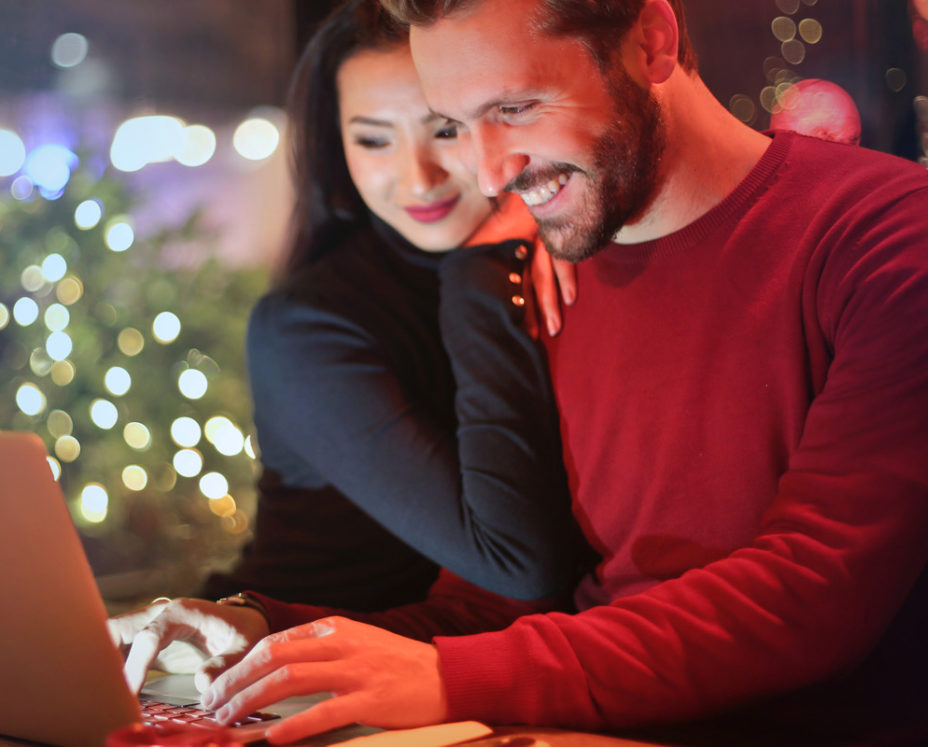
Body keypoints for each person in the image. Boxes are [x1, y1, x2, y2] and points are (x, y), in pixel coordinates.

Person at [117, 0, 928, 743]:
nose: (487, 169)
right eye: (457, 124)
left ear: (653, 41)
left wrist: (448, 675)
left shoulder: (894, 236)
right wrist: (261, 633)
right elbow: (499, 610)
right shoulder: (547, 269)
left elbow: (815, 592)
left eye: (514, 108)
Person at [111, 0, 594, 691]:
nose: (419, 176)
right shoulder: (308, 326)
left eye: (446, 130)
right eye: (373, 140)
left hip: (423, 674)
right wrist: (485, 266)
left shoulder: (547, 262)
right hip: (261, 671)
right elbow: (519, 562)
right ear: (337, 148)